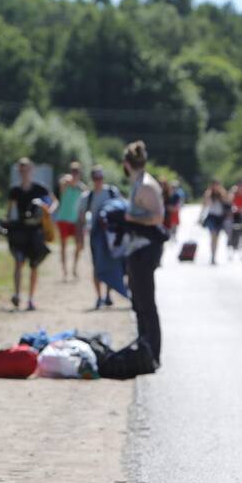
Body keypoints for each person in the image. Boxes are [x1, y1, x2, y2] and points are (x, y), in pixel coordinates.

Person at [122, 141, 167, 364]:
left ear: (127, 164)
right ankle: (144, 348)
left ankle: (153, 353)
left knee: (146, 302)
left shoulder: (146, 185)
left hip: (146, 250)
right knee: (138, 302)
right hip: (136, 249)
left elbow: (158, 218)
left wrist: (131, 218)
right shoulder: (138, 183)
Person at [78, 166, 128, 309]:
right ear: (92, 179)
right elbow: (81, 219)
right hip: (96, 236)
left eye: (100, 177)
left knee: (113, 264)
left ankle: (108, 295)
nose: (98, 181)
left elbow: (122, 208)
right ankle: (99, 297)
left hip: (112, 235)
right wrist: (80, 238)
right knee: (97, 266)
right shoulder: (87, 197)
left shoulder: (112, 192)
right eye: (95, 178)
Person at [6, 157, 52, 311]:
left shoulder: (40, 189)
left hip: (36, 232)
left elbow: (53, 201)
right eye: (21, 169)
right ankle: (17, 295)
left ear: (32, 170)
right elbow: (9, 211)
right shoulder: (15, 190)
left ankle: (31, 299)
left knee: (34, 265)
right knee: (18, 262)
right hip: (20, 230)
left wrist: (46, 212)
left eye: (26, 169)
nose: (24, 172)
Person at [54, 161, 87, 280]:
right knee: (63, 246)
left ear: (80, 173)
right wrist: (70, 179)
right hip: (63, 218)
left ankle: (74, 268)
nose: (75, 174)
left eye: (77, 172)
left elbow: (86, 194)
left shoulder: (81, 187)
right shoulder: (65, 184)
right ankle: (65, 271)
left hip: (75, 220)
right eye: (73, 171)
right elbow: (62, 182)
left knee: (78, 245)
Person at [200, 178, 230, 266]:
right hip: (212, 217)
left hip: (220, 218)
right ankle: (212, 256)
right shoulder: (208, 194)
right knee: (213, 235)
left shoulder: (223, 194)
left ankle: (214, 255)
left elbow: (227, 204)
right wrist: (200, 217)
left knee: (217, 238)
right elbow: (204, 205)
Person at [227, 179, 242, 260]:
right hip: (235, 214)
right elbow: (230, 202)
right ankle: (232, 246)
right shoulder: (234, 191)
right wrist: (233, 208)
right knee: (233, 230)